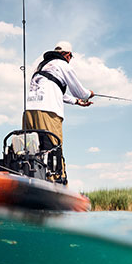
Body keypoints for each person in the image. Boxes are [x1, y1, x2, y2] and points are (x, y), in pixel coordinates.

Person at [23, 41, 94, 181]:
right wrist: (88, 94)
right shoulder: (62, 65)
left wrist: (75, 102)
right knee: (53, 147)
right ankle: (57, 181)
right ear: (68, 55)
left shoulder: (41, 67)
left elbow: (54, 90)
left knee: (31, 148)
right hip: (48, 111)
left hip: (29, 111)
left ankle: (30, 178)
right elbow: (80, 92)